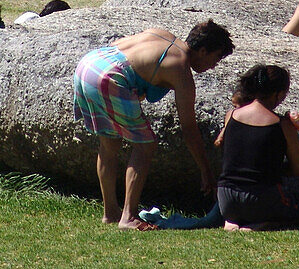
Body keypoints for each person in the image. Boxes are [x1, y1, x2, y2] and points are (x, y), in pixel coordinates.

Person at [73, 20, 234, 230]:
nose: (214, 65)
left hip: (89, 64)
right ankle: (128, 217)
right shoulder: (180, 67)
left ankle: (110, 212)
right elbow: (189, 128)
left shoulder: (163, 34)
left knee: (109, 142)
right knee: (145, 145)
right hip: (109, 77)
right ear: (203, 50)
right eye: (216, 58)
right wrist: (205, 170)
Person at [216, 65, 299, 231]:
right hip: (260, 200)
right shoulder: (283, 125)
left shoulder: (231, 115)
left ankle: (231, 221)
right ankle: (263, 223)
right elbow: (298, 169)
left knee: (240, 207)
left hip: (226, 199)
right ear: (277, 93)